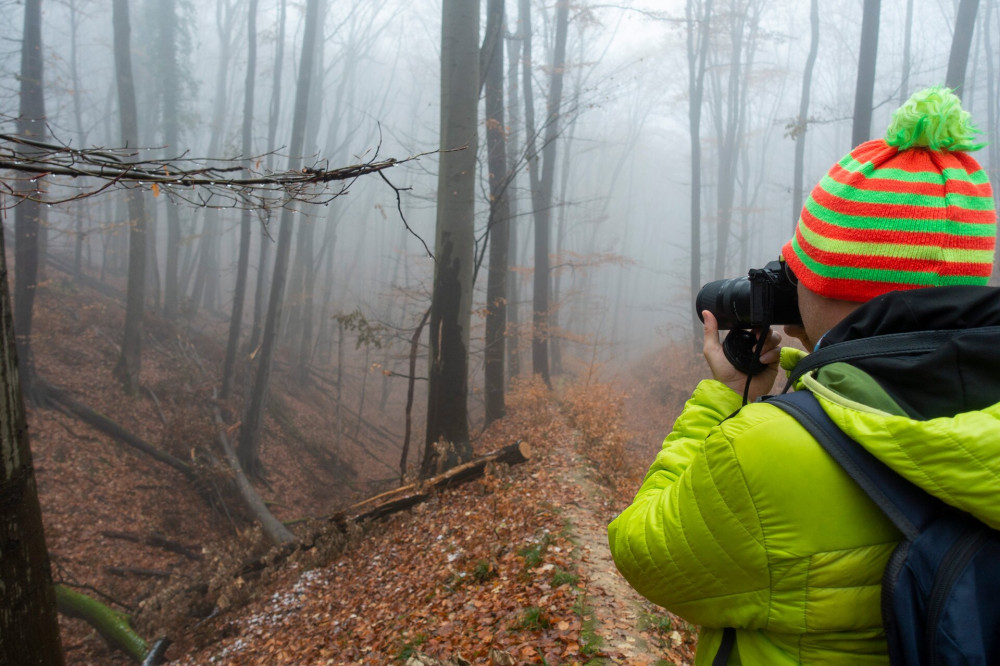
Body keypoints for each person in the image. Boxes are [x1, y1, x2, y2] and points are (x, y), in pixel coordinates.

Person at [608, 86, 1000, 665]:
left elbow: (640, 548)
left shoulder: (764, 451)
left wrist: (723, 396)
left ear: (834, 282)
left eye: (802, 266)